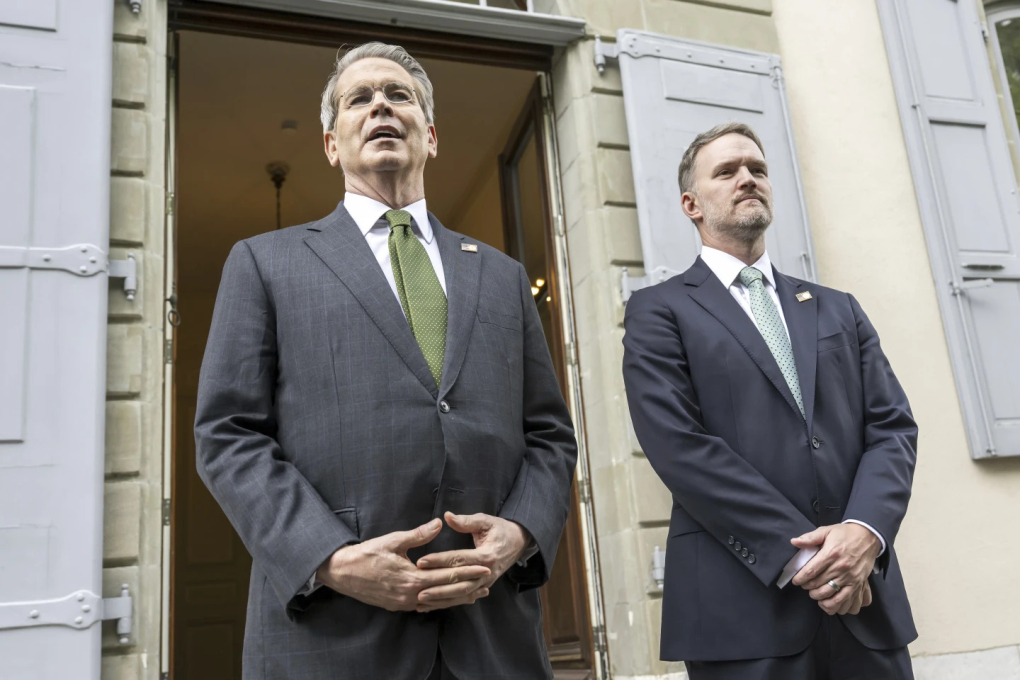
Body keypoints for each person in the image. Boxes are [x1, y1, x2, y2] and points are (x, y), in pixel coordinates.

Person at [194, 42, 577, 680]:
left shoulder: (503, 276)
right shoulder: (264, 262)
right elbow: (227, 434)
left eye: (399, 95)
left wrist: (521, 532)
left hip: (492, 636)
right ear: (331, 144)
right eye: (359, 99)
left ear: (431, 136)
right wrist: (330, 558)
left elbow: (550, 435)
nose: (380, 106)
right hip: (335, 635)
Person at [622, 122, 917, 679]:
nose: (747, 178)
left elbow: (891, 429)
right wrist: (808, 558)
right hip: (741, 612)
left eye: (757, 169)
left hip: (864, 601)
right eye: (727, 171)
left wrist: (865, 533)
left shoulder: (838, 308)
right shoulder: (658, 311)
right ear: (691, 204)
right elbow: (679, 446)